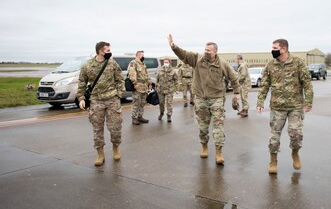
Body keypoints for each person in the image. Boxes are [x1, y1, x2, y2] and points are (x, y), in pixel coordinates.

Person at [168, 34, 240, 164]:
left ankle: (219, 152)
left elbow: (233, 78)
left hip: (217, 98)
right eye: (205, 49)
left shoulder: (222, 64)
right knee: (203, 127)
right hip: (200, 98)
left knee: (218, 126)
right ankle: (204, 147)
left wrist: (236, 93)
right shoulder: (197, 59)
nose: (206, 52)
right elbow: (183, 55)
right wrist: (174, 47)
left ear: (215, 51)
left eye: (208, 50)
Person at [257, 38, 314, 174]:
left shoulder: (298, 62)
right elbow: (264, 85)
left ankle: (295, 153)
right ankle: (273, 160)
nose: (273, 51)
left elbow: (307, 83)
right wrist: (260, 102)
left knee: (295, 134)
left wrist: (308, 101)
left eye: (275, 48)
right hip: (277, 107)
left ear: (284, 49)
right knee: (274, 137)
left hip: (295, 106)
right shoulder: (270, 65)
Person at [77, 41, 125, 166]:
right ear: (100, 51)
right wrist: (81, 98)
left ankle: (116, 148)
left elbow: (120, 79)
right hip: (96, 101)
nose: (110, 52)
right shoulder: (88, 66)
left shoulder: (112, 63)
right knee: (97, 129)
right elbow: (82, 82)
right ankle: (100, 155)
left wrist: (119, 94)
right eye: (107, 50)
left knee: (115, 128)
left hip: (112, 100)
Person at [128, 50, 151, 125]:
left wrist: (149, 83)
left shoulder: (143, 64)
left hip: (144, 87)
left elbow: (146, 74)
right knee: (136, 103)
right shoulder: (133, 63)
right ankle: (134, 118)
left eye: (143, 55)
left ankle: (140, 117)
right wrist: (135, 83)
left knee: (142, 103)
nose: (143, 56)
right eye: (142, 55)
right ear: (137, 55)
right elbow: (132, 73)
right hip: (137, 86)